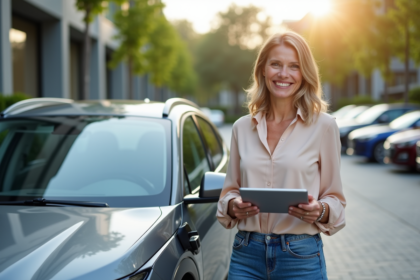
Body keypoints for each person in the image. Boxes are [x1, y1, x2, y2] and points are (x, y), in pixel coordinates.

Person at [217, 31, 346, 280]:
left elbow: (336, 201)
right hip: (246, 255)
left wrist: (319, 210)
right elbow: (229, 192)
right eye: (276, 64)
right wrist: (234, 206)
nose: (283, 74)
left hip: (300, 257)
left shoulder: (324, 127)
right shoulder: (241, 128)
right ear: (263, 69)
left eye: (294, 66)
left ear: (304, 73)